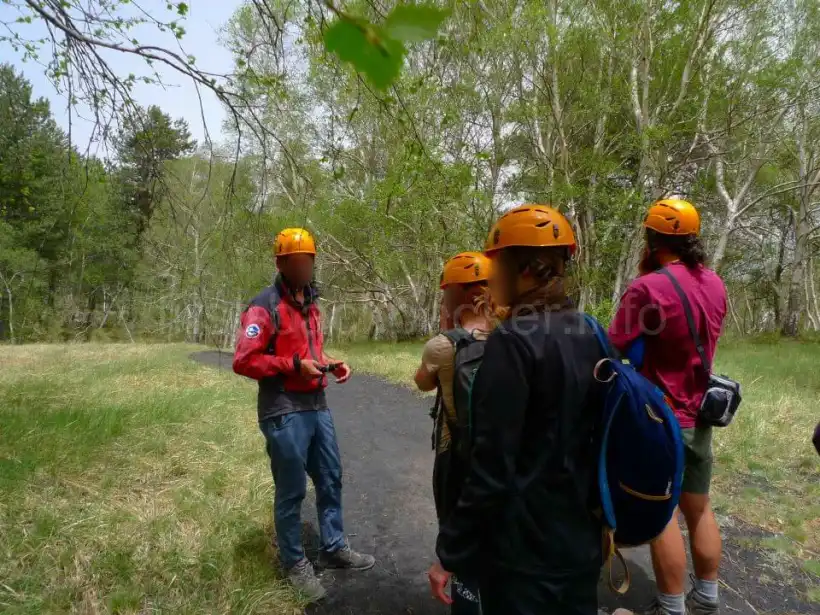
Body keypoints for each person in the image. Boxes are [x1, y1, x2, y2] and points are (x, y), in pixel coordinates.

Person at [430, 205, 606, 615]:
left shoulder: (511, 343)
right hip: (581, 544)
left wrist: (449, 554)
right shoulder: (591, 333)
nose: (491, 278)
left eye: (497, 265)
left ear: (524, 268)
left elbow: (491, 470)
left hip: (526, 557)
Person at [233, 227, 375, 602]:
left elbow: (311, 352)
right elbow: (244, 360)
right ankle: (294, 564)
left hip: (316, 404)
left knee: (330, 477)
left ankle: (333, 546)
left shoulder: (311, 301)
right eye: (297, 261)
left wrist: (330, 363)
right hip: (283, 409)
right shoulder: (263, 306)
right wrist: (293, 365)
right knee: (292, 490)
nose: (305, 267)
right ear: (281, 264)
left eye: (309, 260)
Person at [609, 199, 727, 615]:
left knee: (662, 514)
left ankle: (671, 605)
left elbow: (614, 344)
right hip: (701, 414)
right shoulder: (715, 283)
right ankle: (707, 595)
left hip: (661, 419)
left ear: (653, 239)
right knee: (699, 505)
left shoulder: (648, 288)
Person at [414, 251, 494, 614]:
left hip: (455, 456)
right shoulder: (512, 335)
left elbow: (422, 383)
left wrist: (448, 326)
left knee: (457, 531)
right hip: (499, 457)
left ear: (454, 295)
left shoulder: (443, 345)